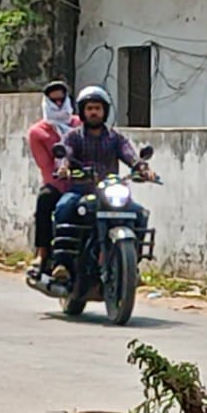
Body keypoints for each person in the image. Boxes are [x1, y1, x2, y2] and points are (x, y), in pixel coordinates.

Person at [50, 86, 155, 276]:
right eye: (90, 108)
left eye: (97, 108)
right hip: (81, 190)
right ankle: (62, 264)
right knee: (64, 208)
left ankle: (131, 267)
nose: (94, 112)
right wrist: (64, 168)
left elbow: (129, 155)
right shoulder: (73, 137)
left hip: (109, 192)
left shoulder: (115, 138)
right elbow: (65, 154)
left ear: (104, 111)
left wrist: (143, 169)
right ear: (82, 111)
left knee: (139, 214)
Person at [26, 79, 76, 284]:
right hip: (57, 183)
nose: (58, 104)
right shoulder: (38, 132)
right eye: (53, 100)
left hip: (84, 183)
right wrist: (62, 175)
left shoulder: (79, 125)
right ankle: (42, 253)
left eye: (61, 100)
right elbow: (46, 166)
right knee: (45, 201)